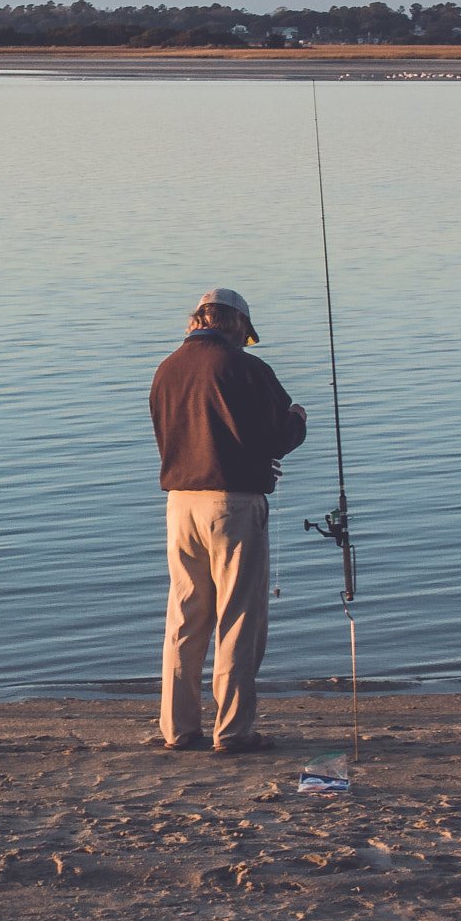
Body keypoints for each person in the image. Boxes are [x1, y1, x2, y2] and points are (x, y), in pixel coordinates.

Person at [147, 288, 306, 753]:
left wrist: (252, 457)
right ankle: (234, 732)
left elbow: (190, 434)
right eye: (246, 334)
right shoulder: (245, 367)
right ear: (235, 322)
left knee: (185, 616)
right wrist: (297, 418)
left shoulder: (166, 369)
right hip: (233, 507)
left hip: (179, 504)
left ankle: (178, 729)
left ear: (198, 320)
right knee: (238, 617)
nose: (245, 341)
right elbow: (276, 435)